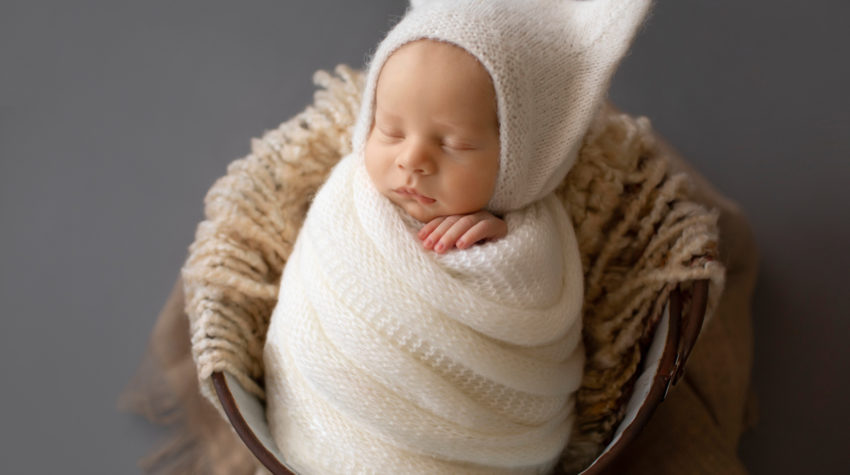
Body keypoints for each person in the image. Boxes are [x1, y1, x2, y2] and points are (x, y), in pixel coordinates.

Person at [262, 1, 650, 473]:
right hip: (332, 420)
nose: (413, 160)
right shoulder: (347, 198)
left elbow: (531, 317)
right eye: (390, 131)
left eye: (453, 144)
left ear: (517, 159)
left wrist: (498, 248)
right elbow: (312, 298)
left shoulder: (534, 233)